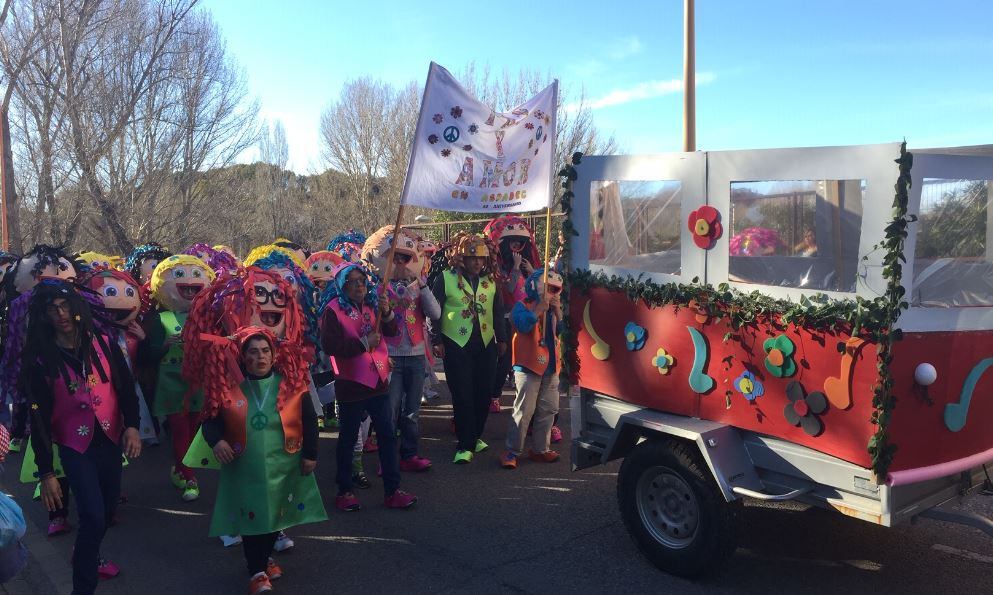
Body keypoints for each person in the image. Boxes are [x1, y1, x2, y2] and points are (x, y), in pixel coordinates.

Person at [20, 280, 141, 594]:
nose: (60, 314)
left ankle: (86, 551)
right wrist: (46, 473)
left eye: (64, 307)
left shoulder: (103, 343)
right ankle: (83, 587)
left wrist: (132, 427)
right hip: (76, 446)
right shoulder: (40, 360)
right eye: (52, 309)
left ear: (76, 309)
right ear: (44, 316)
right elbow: (39, 418)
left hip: (112, 438)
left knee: (106, 509)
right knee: (91, 513)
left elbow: (126, 389)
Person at [194, 327, 327, 595]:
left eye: (265, 351)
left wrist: (311, 454)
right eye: (253, 352)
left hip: (282, 465)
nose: (260, 357)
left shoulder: (290, 384)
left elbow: (309, 419)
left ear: (274, 354)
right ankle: (256, 571)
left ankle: (264, 559)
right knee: (252, 518)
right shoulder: (228, 388)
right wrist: (218, 441)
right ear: (243, 357)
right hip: (245, 468)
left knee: (275, 516)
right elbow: (209, 421)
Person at [321, 262, 417, 511]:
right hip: (351, 384)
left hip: (378, 381)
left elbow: (392, 331)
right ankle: (344, 490)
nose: (359, 286)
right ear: (342, 285)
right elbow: (330, 347)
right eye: (352, 282)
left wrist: (386, 313)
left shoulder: (373, 304)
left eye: (362, 281)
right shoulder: (332, 311)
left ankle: (392, 490)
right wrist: (363, 343)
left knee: (386, 435)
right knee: (349, 438)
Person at [360, 226, 438, 472]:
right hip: (390, 357)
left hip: (415, 356)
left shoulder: (418, 286)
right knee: (389, 412)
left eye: (406, 258)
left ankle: (409, 454)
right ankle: (388, 459)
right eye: (396, 258)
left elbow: (435, 313)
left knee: (412, 412)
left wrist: (422, 285)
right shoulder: (376, 288)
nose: (401, 263)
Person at [430, 233, 507, 464]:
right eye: (472, 258)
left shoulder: (491, 282)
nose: (477, 263)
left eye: (481, 259)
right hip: (455, 343)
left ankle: (475, 436)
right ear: (460, 257)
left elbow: (498, 312)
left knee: (484, 393)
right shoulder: (444, 278)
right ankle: (464, 445)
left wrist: (501, 338)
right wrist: (436, 340)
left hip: (485, 343)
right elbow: (434, 312)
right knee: (462, 394)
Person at [501, 269, 564, 469]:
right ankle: (512, 451)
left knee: (548, 410)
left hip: (551, 366)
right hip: (528, 366)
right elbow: (521, 325)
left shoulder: (554, 309)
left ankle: (540, 449)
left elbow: (563, 332)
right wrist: (538, 310)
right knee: (524, 410)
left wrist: (558, 312)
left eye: (555, 289)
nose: (551, 293)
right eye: (548, 288)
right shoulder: (522, 306)